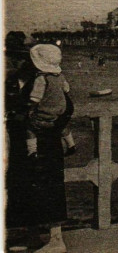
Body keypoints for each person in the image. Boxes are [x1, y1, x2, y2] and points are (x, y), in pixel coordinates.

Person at [13, 44, 73, 252]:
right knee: (26, 185)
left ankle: (56, 239)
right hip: (25, 139)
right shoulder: (23, 79)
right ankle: (33, 235)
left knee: (50, 184)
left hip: (44, 138)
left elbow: (66, 107)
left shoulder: (40, 80)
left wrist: (48, 124)